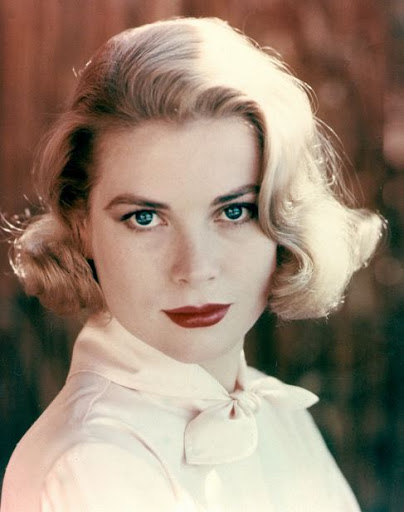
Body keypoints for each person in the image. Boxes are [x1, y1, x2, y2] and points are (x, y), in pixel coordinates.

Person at [1, 17, 383, 512]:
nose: (195, 268)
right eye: (144, 218)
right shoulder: (93, 463)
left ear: (282, 216)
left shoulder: (281, 414)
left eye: (234, 212)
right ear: (81, 225)